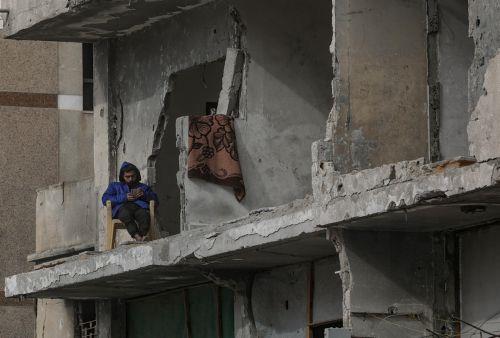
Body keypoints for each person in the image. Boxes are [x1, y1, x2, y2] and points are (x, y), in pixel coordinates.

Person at [102, 162, 159, 242]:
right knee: (125, 214)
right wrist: (124, 197)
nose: (130, 179)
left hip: (139, 208)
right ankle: (137, 236)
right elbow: (105, 199)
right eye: (127, 177)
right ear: (122, 176)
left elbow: (155, 200)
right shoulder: (114, 186)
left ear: (137, 175)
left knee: (144, 215)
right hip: (122, 209)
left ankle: (142, 236)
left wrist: (144, 195)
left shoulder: (143, 187)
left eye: (133, 176)